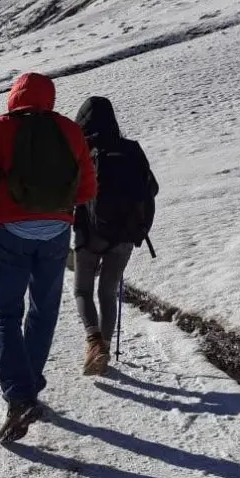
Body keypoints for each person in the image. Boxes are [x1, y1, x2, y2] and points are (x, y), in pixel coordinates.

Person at [0, 72, 97, 444]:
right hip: (56, 231)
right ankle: (29, 388)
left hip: (10, 230)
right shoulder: (70, 130)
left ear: (15, 95)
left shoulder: (2, 127)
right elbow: (87, 186)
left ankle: (19, 395)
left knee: (5, 312)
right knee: (43, 310)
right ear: (49, 97)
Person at [72, 96, 158, 376]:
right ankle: (105, 347)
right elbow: (152, 188)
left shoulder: (86, 152)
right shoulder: (131, 150)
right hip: (125, 234)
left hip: (91, 232)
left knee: (83, 290)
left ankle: (93, 341)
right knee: (107, 292)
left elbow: (74, 193)